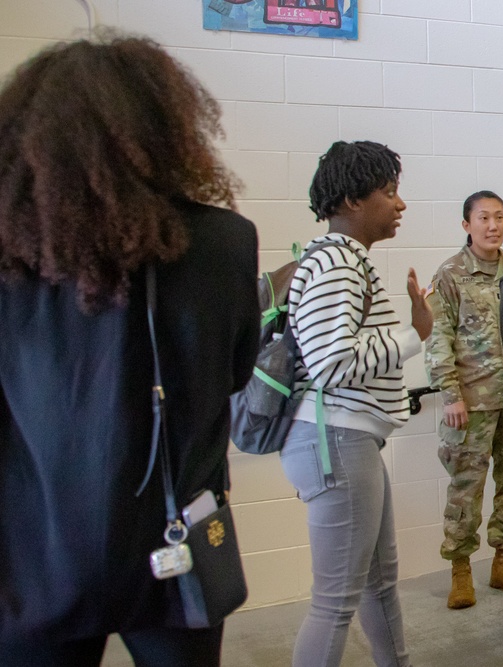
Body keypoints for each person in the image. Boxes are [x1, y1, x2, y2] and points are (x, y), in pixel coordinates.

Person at [0, 34, 259, 666]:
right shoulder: (225, 242)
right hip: (177, 548)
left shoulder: (10, 256)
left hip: (33, 554)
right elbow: (234, 373)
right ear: (168, 128)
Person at [279, 140, 433, 667]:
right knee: (335, 602)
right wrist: (415, 335)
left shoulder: (342, 259)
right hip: (337, 442)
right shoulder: (338, 262)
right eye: (389, 192)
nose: (400, 204)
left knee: (378, 582)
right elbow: (332, 363)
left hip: (351, 440)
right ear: (350, 200)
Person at [424, 191, 503, 610]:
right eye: (483, 218)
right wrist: (450, 395)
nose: (492, 226)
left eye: (499, 217)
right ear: (466, 225)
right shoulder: (450, 275)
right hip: (470, 404)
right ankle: (460, 572)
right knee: (466, 489)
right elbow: (438, 338)